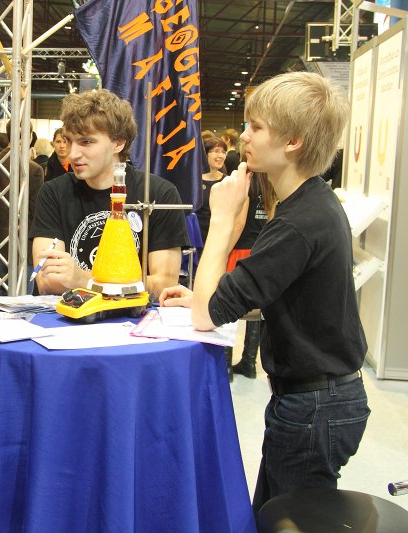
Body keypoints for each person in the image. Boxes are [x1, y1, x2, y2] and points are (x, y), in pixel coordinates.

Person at [159, 72, 369, 515]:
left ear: (292, 141)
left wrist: (221, 217)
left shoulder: (298, 221)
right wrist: (205, 296)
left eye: (256, 127)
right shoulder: (311, 204)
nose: (244, 138)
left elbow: (206, 315)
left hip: (315, 406)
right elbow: (276, 292)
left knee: (287, 520)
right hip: (317, 398)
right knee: (271, 514)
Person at [30, 89, 188, 300]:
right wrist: (122, 285)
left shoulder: (159, 193)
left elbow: (164, 285)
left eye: (86, 142)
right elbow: (47, 281)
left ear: (118, 143)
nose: (73, 153)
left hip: (130, 325)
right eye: (69, 141)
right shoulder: (53, 192)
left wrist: (84, 280)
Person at [225, 171, 276, 379]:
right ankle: (249, 363)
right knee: (256, 309)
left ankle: (226, 366)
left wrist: (223, 250)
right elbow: (271, 222)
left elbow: (238, 224)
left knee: (228, 306)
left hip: (239, 251)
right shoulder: (271, 186)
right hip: (260, 251)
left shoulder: (248, 183)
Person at [0, 119, 44, 293]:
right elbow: (35, 211)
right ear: (29, 136)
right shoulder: (33, 169)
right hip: (23, 241)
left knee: (2, 293)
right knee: (24, 295)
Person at [195, 136, 229, 248]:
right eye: (216, 151)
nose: (221, 156)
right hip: (197, 240)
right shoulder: (194, 181)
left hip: (218, 241)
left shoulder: (228, 181)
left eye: (223, 152)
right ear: (205, 154)